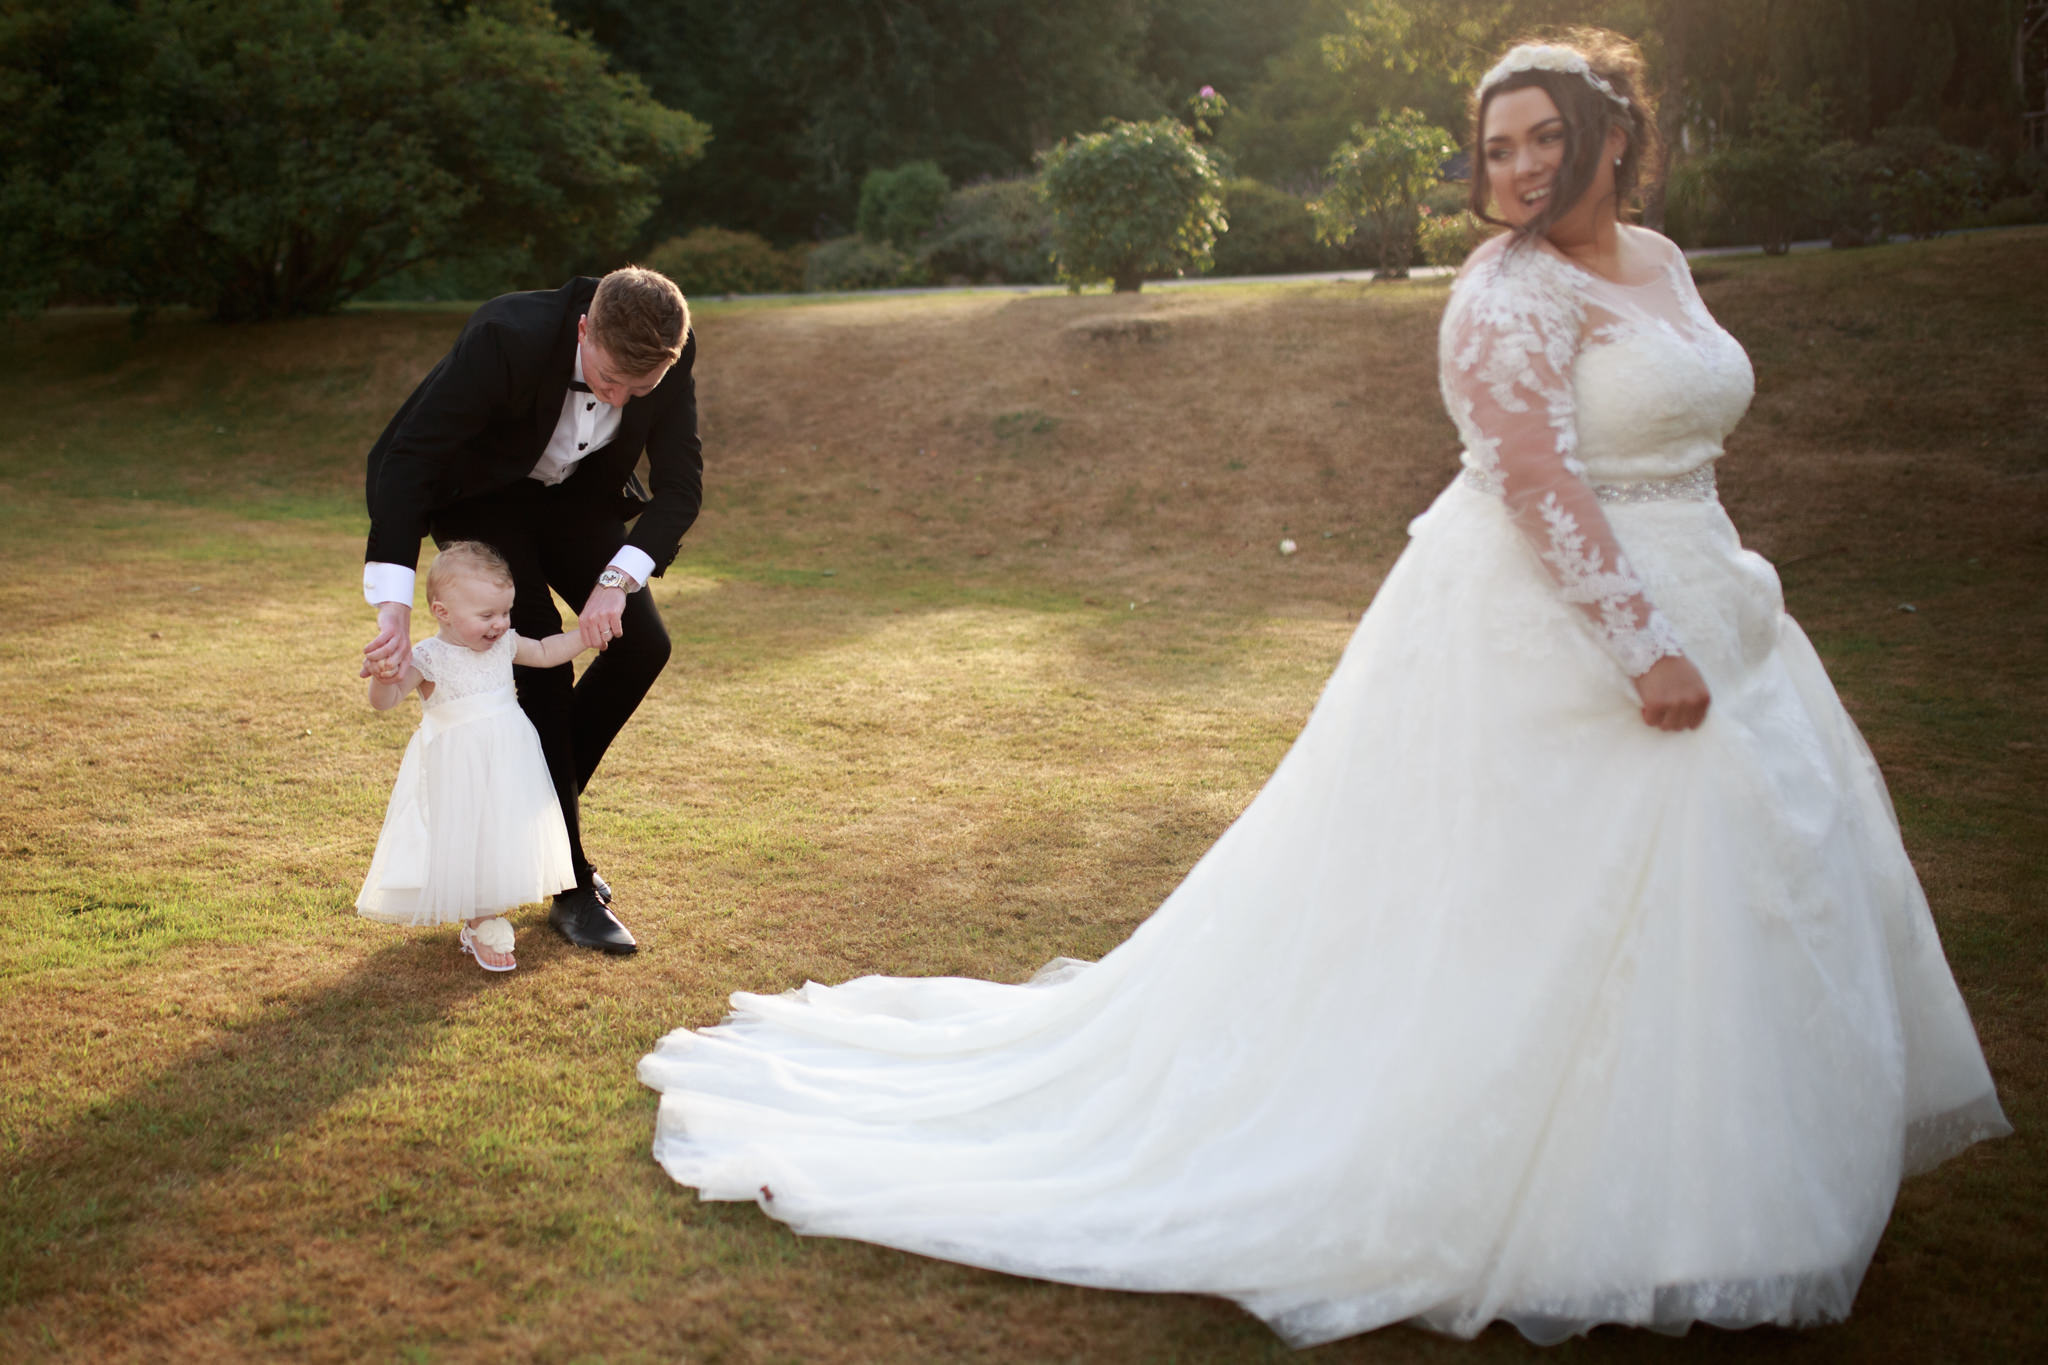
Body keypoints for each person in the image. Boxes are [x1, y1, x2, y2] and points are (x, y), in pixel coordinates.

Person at [636, 31, 2010, 1346]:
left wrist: (1701, 600)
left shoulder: (1655, 257)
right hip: (1560, 634)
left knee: (1733, 888)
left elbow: (1675, 424)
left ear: (1618, 138)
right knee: (1534, 913)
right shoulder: (1507, 291)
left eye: (1551, 137)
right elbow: (1531, 472)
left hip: (1723, 600)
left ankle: (1724, 1190)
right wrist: (1641, 640)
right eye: (1500, 145)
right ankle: (1562, 1192)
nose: (1523, 166)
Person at [361, 266, 703, 956]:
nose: (620, 398)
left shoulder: (672, 348)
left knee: (642, 644)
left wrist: (616, 580)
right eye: (609, 382)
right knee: (542, 667)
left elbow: (681, 487)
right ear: (584, 329)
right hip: (480, 494)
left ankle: (526, 818)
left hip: (576, 498)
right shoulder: (505, 336)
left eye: (639, 391)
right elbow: (410, 457)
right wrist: (393, 607)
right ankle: (569, 882)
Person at [357, 542, 594, 971]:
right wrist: (381, 676)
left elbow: (543, 652)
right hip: (459, 766)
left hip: (508, 758)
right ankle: (481, 919)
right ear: (442, 612)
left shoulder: (504, 644)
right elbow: (386, 701)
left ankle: (490, 905)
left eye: (505, 613)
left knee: (502, 831)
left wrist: (585, 637)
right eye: (487, 616)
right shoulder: (429, 657)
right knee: (471, 835)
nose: (500, 625)